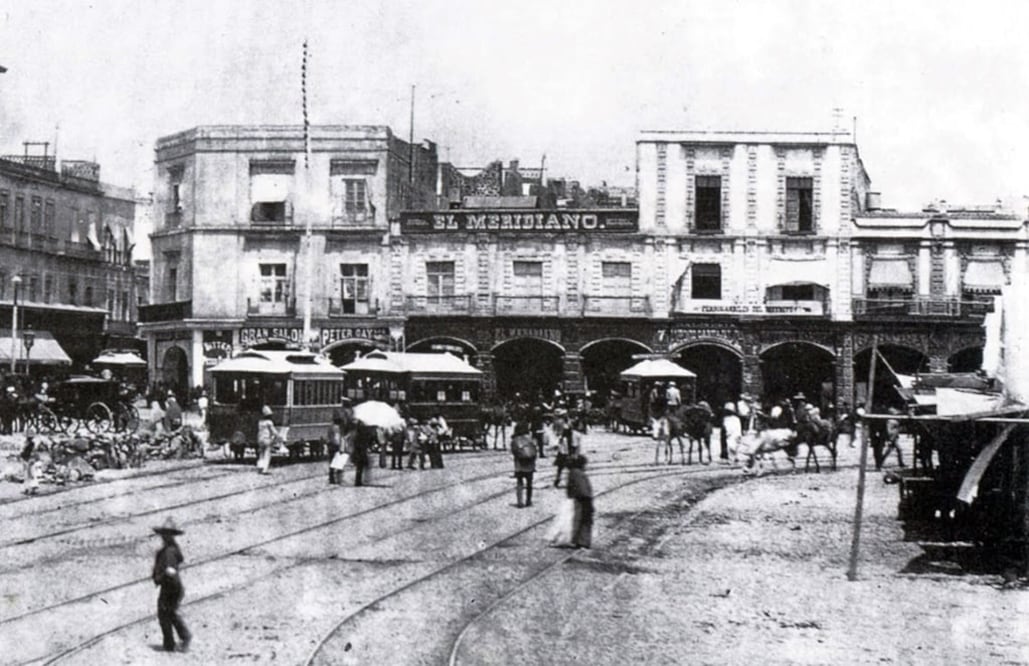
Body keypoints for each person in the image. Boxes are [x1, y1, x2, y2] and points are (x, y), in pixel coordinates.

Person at [152, 517, 191, 653]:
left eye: (167, 534)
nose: (165, 536)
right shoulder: (171, 549)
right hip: (170, 586)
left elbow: (170, 571)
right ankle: (171, 643)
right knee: (167, 613)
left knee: (167, 613)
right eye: (164, 533)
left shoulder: (169, 551)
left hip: (171, 587)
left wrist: (161, 576)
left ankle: (180, 639)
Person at [566, 455, 594, 549]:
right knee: (585, 520)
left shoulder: (573, 472)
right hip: (583, 499)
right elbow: (583, 489)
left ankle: (580, 540)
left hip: (579, 499)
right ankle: (583, 542)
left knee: (580, 520)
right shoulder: (578, 474)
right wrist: (588, 500)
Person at [510, 421, 537, 508]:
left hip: (519, 464)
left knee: (519, 482)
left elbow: (514, 452)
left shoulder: (514, 440)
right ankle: (528, 500)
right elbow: (534, 451)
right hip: (530, 464)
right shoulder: (530, 439)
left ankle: (520, 501)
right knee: (529, 483)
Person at [255, 405, 279, 475]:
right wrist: (278, 436)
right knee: (267, 454)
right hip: (267, 439)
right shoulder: (269, 422)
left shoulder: (260, 422)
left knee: (261, 454)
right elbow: (273, 431)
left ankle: (260, 467)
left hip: (260, 439)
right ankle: (265, 469)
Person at [20, 427, 39, 495]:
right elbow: (34, 453)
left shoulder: (26, 444)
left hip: (27, 459)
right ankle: (31, 488)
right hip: (30, 459)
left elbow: (22, 452)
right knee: (31, 474)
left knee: (27, 474)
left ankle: (27, 488)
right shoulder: (32, 444)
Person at [326, 412, 344, 485]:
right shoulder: (341, 428)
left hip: (332, 446)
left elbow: (329, 437)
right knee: (339, 463)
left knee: (332, 463)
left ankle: (332, 479)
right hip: (338, 446)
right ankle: (339, 479)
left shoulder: (331, 427)